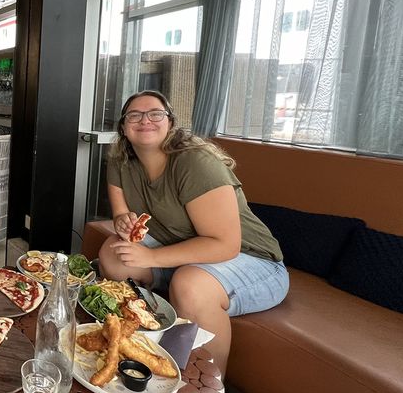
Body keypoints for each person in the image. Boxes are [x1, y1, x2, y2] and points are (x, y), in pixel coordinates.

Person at [98, 90, 288, 376]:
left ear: (171, 122)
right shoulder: (121, 161)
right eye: (134, 115)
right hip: (182, 251)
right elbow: (121, 215)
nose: (145, 120)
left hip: (253, 260)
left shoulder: (194, 163)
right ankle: (140, 341)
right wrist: (125, 223)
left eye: (155, 114)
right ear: (124, 127)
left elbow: (225, 245)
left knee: (190, 285)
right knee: (113, 255)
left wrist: (150, 255)